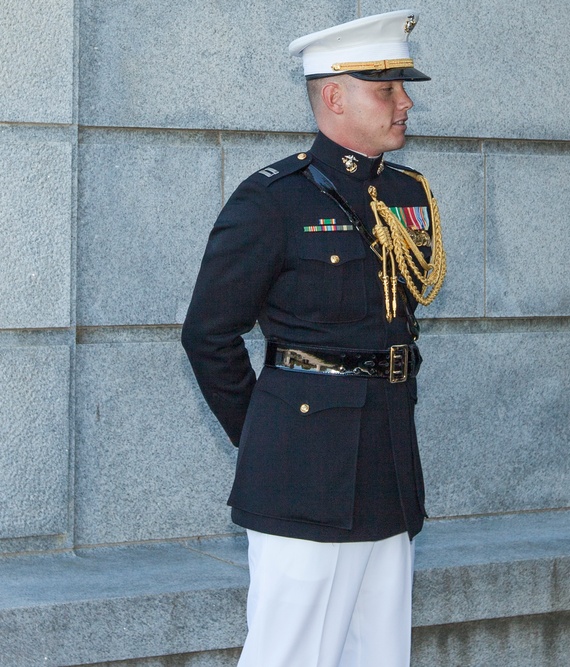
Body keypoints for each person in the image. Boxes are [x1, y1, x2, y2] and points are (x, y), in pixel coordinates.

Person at [181, 10, 445, 666]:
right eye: (386, 90)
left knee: (379, 652)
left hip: (385, 465)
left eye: (401, 87)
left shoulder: (407, 194)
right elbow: (208, 334)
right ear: (334, 96)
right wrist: (273, 435)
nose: (404, 101)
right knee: (290, 652)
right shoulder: (274, 200)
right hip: (301, 477)